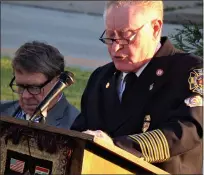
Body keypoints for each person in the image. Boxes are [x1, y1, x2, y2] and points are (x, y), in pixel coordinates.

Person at [71, 0, 203, 174]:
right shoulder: (101, 78)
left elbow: (187, 131)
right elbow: (78, 135)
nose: (116, 47)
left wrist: (116, 147)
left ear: (155, 28)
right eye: (110, 36)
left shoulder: (188, 71)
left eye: (126, 36)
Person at [0, 41, 79, 129]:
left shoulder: (76, 127)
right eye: (21, 87)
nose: (25, 96)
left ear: (57, 84)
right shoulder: (2, 111)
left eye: (34, 88)